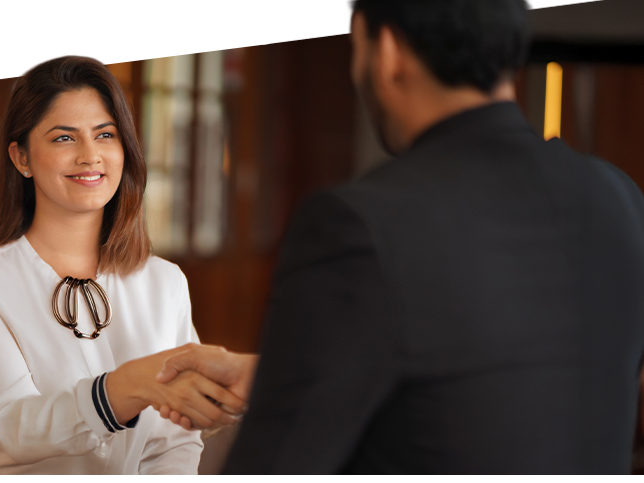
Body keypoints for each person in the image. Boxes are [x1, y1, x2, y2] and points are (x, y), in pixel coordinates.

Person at [156, 0, 644, 474]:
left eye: (355, 46)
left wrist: (289, 390)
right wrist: (284, 373)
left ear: (387, 50)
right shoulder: (618, 199)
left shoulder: (357, 222)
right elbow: (507, 385)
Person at [0, 56, 245, 475]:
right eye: (64, 138)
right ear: (22, 157)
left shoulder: (165, 280)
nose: (90, 156)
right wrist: (128, 386)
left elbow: (175, 440)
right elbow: (13, 427)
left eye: (105, 135)